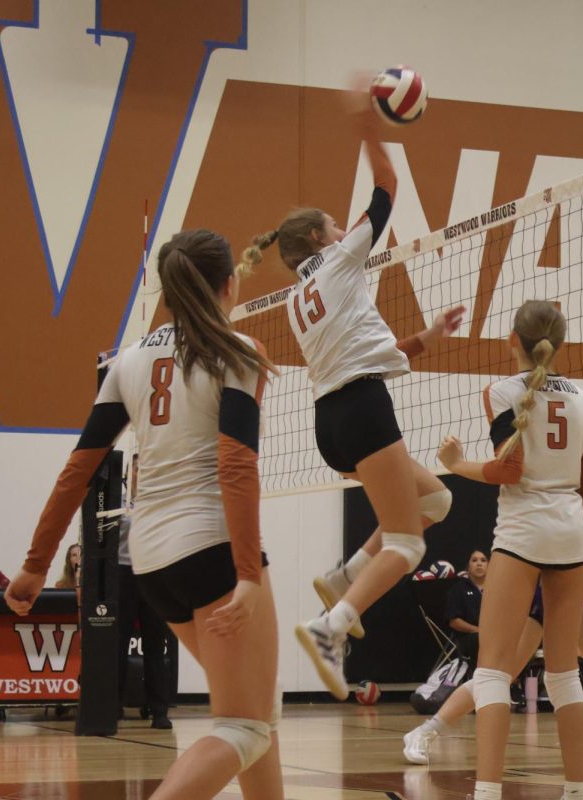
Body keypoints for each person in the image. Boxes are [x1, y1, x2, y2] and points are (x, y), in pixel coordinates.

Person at [5, 229, 282, 800]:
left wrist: (35, 565)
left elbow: (76, 471)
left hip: (152, 559)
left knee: (258, 712)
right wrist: (249, 573)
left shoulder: (128, 361)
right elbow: (235, 466)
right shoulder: (238, 351)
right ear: (229, 284)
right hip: (211, 549)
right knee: (245, 725)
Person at [241, 97, 464, 697]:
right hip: (362, 411)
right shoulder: (339, 260)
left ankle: (344, 579)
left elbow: (372, 351)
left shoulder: (295, 299)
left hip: (332, 420)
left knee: (436, 500)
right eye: (336, 227)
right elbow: (387, 186)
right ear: (320, 237)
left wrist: (428, 336)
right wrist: (371, 127)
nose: (346, 231)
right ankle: (330, 626)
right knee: (409, 541)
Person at [437, 299, 583, 800]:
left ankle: (487, 793)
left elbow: (506, 472)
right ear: (562, 343)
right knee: (564, 671)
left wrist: (456, 463)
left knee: (491, 669)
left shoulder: (503, 391)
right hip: (571, 532)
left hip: (523, 531)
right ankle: (576, 791)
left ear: (514, 341)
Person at [402, 581, 583, 766]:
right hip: (537, 607)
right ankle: (424, 732)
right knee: (496, 677)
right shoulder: (557, 529)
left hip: (572, 609)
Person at [117, 454, 173, 730]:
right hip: (125, 573)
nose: (142, 471)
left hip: (153, 573)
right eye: (138, 467)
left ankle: (159, 710)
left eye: (146, 467)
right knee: (118, 644)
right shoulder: (118, 503)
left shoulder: (162, 502)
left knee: (155, 646)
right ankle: (112, 706)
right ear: (131, 471)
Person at [445, 550, 487, 661]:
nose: (479, 563)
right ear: (468, 566)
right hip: (469, 637)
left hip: (493, 635)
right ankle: (477, 676)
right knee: (480, 639)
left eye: (483, 560)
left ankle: (525, 678)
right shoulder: (458, 589)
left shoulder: (496, 589)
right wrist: (478, 630)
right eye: (474, 560)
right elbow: (454, 622)